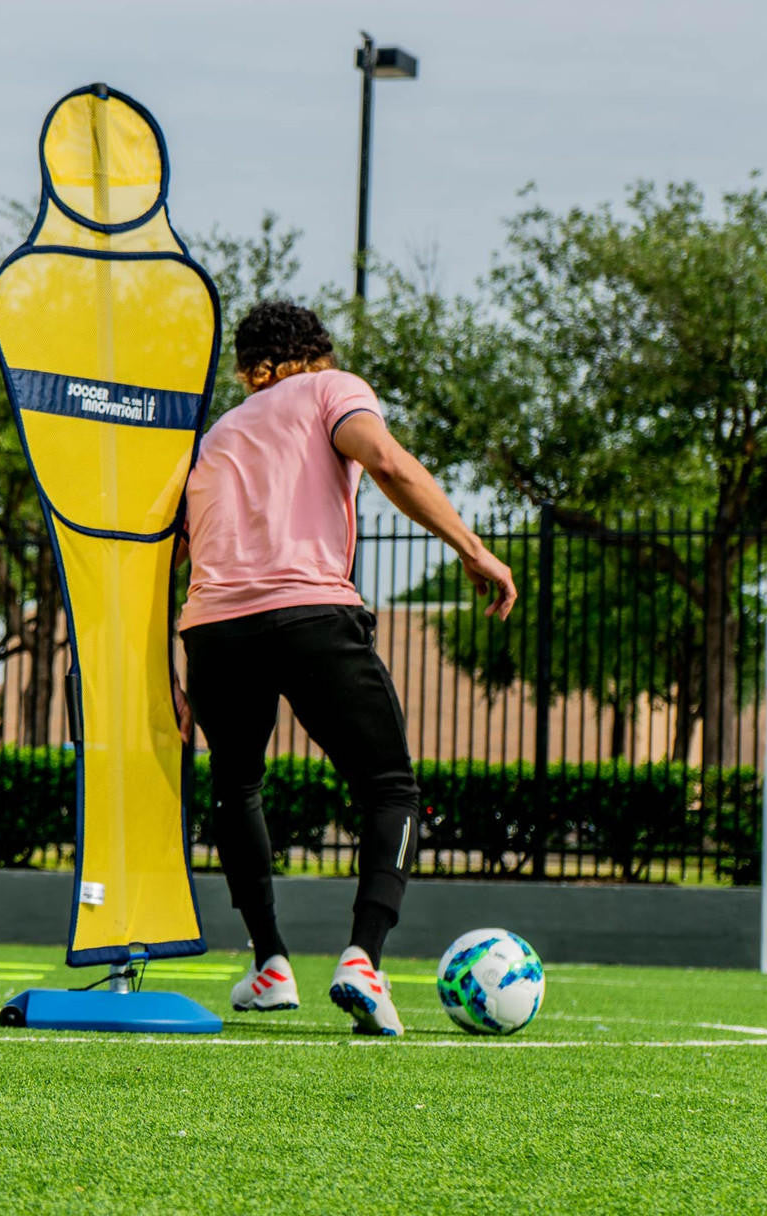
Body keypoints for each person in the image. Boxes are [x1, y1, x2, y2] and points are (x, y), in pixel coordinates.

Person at [173, 301, 517, 1036]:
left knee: (237, 786)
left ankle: (270, 966)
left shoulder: (211, 440)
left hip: (214, 632)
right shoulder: (332, 390)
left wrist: (168, 669)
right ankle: (363, 957)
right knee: (389, 785)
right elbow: (384, 459)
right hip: (309, 615)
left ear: (246, 369)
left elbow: (167, 557)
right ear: (317, 354)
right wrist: (471, 546)